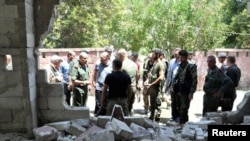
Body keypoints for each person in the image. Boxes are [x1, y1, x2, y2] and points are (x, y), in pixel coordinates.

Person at [170, 50, 197, 124]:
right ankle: (181, 122)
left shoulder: (191, 66)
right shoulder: (180, 66)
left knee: (184, 109)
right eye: (179, 57)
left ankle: (184, 124)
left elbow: (194, 81)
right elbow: (175, 77)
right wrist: (172, 86)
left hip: (186, 91)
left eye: (182, 57)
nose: (180, 59)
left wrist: (191, 92)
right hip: (179, 90)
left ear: (186, 57)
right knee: (178, 107)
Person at [144, 48, 165, 122]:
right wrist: (147, 81)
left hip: (156, 89)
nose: (152, 55)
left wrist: (151, 84)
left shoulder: (160, 64)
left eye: (153, 54)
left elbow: (161, 77)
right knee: (152, 105)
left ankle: (156, 121)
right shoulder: (154, 64)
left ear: (158, 55)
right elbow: (151, 75)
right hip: (152, 88)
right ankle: (151, 118)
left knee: (157, 106)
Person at [116, 48, 139, 116]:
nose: (117, 56)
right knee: (130, 106)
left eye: (118, 55)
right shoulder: (134, 64)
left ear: (122, 55)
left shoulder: (121, 65)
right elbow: (137, 76)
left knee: (123, 109)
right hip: (133, 87)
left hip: (124, 90)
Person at [92, 51, 111, 116]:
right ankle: (97, 116)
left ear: (107, 58)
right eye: (100, 58)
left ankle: (106, 116)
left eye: (102, 59)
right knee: (98, 103)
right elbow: (94, 73)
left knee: (107, 103)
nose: (101, 60)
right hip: (99, 87)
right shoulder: (98, 63)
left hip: (108, 88)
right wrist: (93, 81)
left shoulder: (111, 65)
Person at [165, 48, 181, 123]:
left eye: (177, 54)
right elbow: (169, 74)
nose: (175, 55)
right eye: (175, 54)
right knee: (173, 102)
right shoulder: (171, 62)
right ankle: (173, 116)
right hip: (172, 86)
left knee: (179, 102)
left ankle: (179, 117)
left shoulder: (183, 63)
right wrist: (168, 85)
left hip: (180, 86)